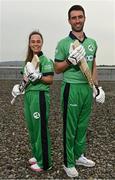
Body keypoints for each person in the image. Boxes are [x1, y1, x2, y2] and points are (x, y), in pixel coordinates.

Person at [54, 5, 105, 178]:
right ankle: (68, 162)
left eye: (80, 17)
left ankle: (78, 156)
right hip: (71, 88)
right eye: (74, 17)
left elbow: (93, 65)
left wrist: (97, 87)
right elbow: (57, 69)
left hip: (86, 89)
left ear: (84, 18)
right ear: (69, 21)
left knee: (82, 126)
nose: (77, 20)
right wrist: (69, 61)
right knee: (70, 127)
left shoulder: (92, 43)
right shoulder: (63, 43)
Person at [12, 30, 54, 172]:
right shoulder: (29, 62)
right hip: (29, 96)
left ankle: (45, 163)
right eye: (33, 41)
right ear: (29, 44)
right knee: (32, 128)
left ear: (42, 43)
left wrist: (39, 76)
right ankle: (38, 154)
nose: (35, 44)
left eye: (38, 41)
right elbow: (25, 80)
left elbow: (50, 80)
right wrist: (19, 87)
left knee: (40, 129)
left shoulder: (45, 60)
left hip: (39, 96)